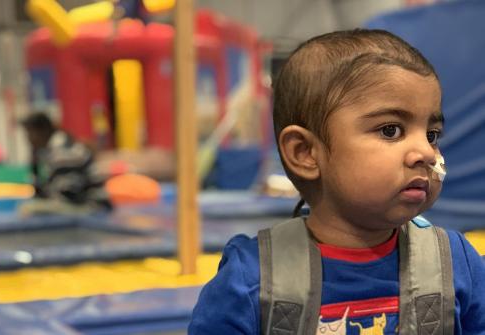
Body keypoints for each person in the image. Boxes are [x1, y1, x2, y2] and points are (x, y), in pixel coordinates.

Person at [188, 29, 485, 334]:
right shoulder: (252, 281)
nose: (425, 152)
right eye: (390, 130)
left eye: (432, 134)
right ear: (305, 153)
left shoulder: (455, 264)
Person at [20, 112, 111, 215]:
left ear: (43, 131)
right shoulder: (51, 151)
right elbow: (43, 193)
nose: (28, 139)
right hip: (83, 203)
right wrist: (34, 165)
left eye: (30, 133)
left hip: (94, 207)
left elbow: (67, 197)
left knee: (29, 209)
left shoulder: (63, 153)